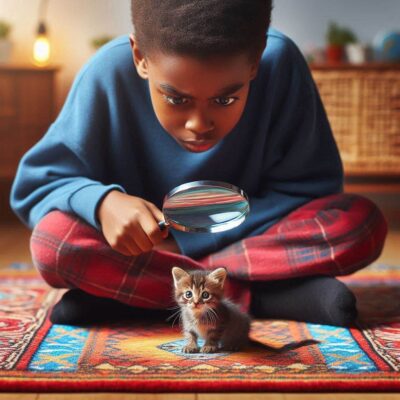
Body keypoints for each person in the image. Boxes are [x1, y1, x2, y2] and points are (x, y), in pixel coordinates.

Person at [10, 0, 387, 327]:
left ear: (254, 63)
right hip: (153, 251)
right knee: (53, 243)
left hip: (237, 239)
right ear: (140, 57)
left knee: (359, 224)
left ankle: (134, 297)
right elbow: (36, 185)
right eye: (176, 98)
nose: (198, 125)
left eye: (225, 100)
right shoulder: (107, 72)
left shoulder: (281, 63)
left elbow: (313, 189)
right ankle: (262, 296)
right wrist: (103, 202)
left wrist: (187, 236)